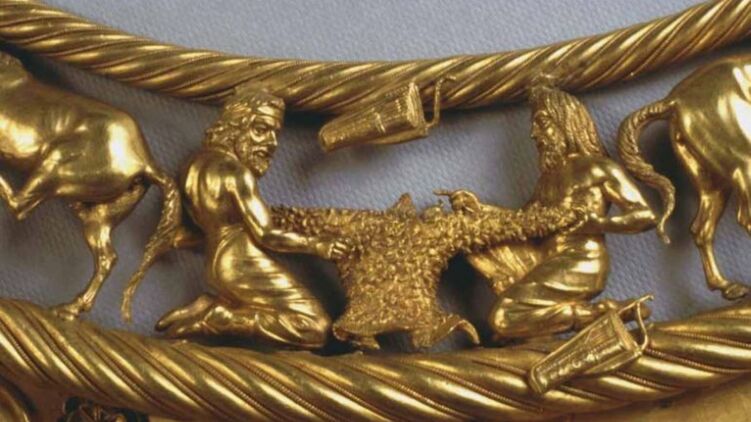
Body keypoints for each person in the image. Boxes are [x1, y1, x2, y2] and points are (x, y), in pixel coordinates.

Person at [448, 80, 657, 340]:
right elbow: (526, 222)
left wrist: (598, 223)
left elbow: (645, 216)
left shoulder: (597, 168)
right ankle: (561, 324)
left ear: (565, 123)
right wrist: (480, 210)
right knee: (508, 311)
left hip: (582, 263)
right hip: (547, 261)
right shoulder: (547, 180)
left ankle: (597, 314)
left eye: (542, 123)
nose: (534, 134)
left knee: (504, 318)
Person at [153, 85, 347, 349]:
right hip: (241, 261)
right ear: (235, 126)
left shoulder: (194, 164)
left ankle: (212, 306)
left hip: (215, 262)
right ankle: (222, 319)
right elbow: (266, 234)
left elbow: (196, 227)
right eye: (261, 129)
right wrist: (319, 245)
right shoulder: (236, 173)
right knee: (315, 327)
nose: (272, 142)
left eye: (275, 133)